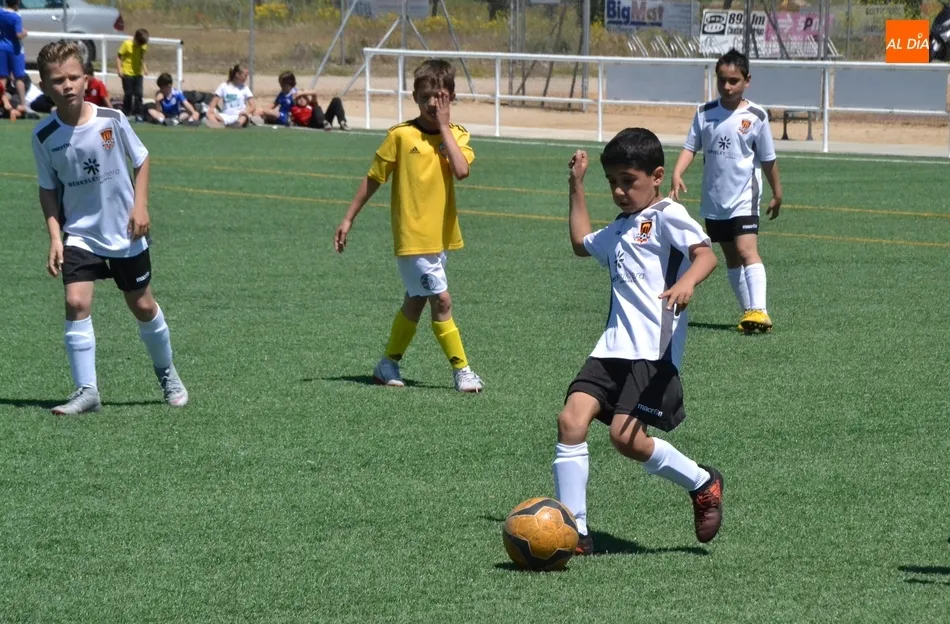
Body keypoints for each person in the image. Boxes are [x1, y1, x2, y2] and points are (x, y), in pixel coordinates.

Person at [554, 128, 724, 555]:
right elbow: (580, 243)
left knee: (625, 438)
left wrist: (686, 281)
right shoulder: (619, 228)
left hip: (652, 351)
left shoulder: (667, 214)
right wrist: (576, 185)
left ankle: (702, 481)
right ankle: (575, 531)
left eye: (628, 181)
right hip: (610, 348)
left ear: (657, 177)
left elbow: (706, 254)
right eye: (612, 182)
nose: (618, 191)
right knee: (570, 421)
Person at [30, 40, 188, 415]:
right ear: (45, 86)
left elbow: (142, 159)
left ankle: (167, 373)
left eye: (73, 77)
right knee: (75, 302)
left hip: (124, 232)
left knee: (142, 305)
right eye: (57, 80)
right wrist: (55, 237)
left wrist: (140, 206)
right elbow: (48, 189)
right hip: (80, 233)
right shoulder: (43, 136)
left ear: (86, 78)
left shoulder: (111, 120)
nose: (67, 85)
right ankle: (87, 391)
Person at [333, 59, 483, 393]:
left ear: (451, 97)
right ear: (414, 96)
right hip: (412, 237)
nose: (432, 103)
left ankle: (387, 363)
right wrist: (348, 218)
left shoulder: (457, 135)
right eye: (426, 96)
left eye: (439, 97)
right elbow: (374, 178)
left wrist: (444, 128)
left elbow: (461, 170)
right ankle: (462, 370)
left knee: (416, 301)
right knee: (442, 301)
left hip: (440, 238)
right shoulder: (400, 135)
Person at [670, 48, 783, 334]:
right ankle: (749, 314)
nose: (727, 86)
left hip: (744, 197)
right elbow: (690, 147)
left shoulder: (756, 116)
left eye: (734, 80)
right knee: (732, 257)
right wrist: (677, 172)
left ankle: (760, 310)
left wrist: (777, 193)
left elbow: (768, 159)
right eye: (722, 80)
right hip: (715, 200)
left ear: (747, 80)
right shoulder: (704, 113)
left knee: (746, 250)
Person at [262, 71, 348, 130]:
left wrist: (301, 93)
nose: (301, 99)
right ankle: (324, 123)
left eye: (303, 97)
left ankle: (342, 122)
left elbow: (314, 93)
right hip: (312, 123)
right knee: (317, 108)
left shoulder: (311, 105)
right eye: (299, 98)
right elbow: (285, 110)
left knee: (336, 100)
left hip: (323, 121)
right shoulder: (294, 107)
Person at [207, 64, 255, 128]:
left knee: (244, 117)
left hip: (239, 116)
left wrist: (246, 112)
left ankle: (236, 124)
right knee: (210, 114)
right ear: (237, 74)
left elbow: (252, 106)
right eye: (245, 75)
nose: (246, 78)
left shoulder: (245, 88)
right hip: (225, 116)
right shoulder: (223, 86)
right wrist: (211, 110)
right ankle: (220, 126)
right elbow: (213, 103)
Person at [116, 28, 149, 120]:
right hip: (127, 72)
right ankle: (126, 113)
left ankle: (139, 114)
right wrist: (119, 69)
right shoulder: (127, 44)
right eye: (139, 43)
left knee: (139, 94)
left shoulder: (143, 46)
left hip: (138, 73)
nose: (140, 45)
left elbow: (141, 57)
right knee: (128, 94)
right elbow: (119, 57)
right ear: (135, 38)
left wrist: (144, 68)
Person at [0, 0, 27, 109]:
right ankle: (23, 104)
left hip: (2, 48)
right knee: (19, 77)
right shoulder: (16, 17)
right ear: (17, 3)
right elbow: (18, 35)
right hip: (15, 50)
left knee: (2, 77)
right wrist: (24, 33)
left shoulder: (1, 13)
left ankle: (3, 102)